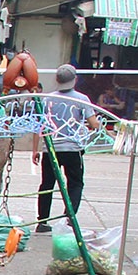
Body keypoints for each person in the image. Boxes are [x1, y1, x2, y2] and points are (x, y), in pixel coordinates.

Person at [33, 64, 92, 234]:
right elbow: (93, 122)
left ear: (56, 80)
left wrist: (36, 149)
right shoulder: (82, 99)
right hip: (73, 148)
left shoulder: (47, 99)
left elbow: (39, 126)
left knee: (47, 184)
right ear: (75, 79)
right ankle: (69, 218)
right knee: (75, 183)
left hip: (51, 149)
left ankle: (42, 220)